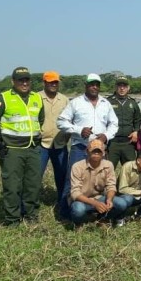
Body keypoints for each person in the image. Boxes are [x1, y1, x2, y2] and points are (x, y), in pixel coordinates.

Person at [0, 66, 45, 226]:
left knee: (33, 185)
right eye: (20, 80)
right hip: (12, 150)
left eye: (27, 80)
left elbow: (40, 119)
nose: (24, 83)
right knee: (12, 186)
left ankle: (31, 215)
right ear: (13, 81)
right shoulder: (3, 98)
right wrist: (3, 139)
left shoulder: (37, 98)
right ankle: (12, 219)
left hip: (33, 148)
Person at [57, 73, 119, 220]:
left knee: (101, 179)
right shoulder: (76, 102)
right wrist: (79, 130)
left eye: (97, 84)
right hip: (80, 147)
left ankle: (98, 211)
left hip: (99, 149)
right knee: (71, 180)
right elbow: (61, 122)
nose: (94, 87)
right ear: (86, 85)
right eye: (91, 84)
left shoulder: (105, 103)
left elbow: (114, 123)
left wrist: (106, 136)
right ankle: (65, 214)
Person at [69, 139, 128, 229]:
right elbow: (75, 193)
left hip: (100, 198)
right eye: (93, 151)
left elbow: (111, 186)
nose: (96, 153)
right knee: (78, 209)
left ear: (103, 153)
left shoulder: (109, 165)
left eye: (99, 151)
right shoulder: (77, 166)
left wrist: (109, 199)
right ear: (87, 152)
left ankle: (103, 219)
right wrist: (95, 204)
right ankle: (79, 223)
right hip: (82, 200)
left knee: (121, 203)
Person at [38, 71, 70, 206]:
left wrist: (67, 137)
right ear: (44, 82)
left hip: (60, 144)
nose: (53, 84)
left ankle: (62, 204)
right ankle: (31, 204)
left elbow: (70, 120)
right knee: (35, 176)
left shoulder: (64, 100)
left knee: (62, 175)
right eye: (50, 82)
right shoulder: (36, 98)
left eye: (56, 82)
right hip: (41, 144)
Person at [107, 76, 141, 169]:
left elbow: (138, 119)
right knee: (108, 169)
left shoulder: (133, 102)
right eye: (119, 86)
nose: (122, 88)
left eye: (124, 86)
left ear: (128, 88)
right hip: (112, 142)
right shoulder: (108, 101)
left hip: (128, 142)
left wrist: (136, 131)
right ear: (115, 87)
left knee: (131, 169)